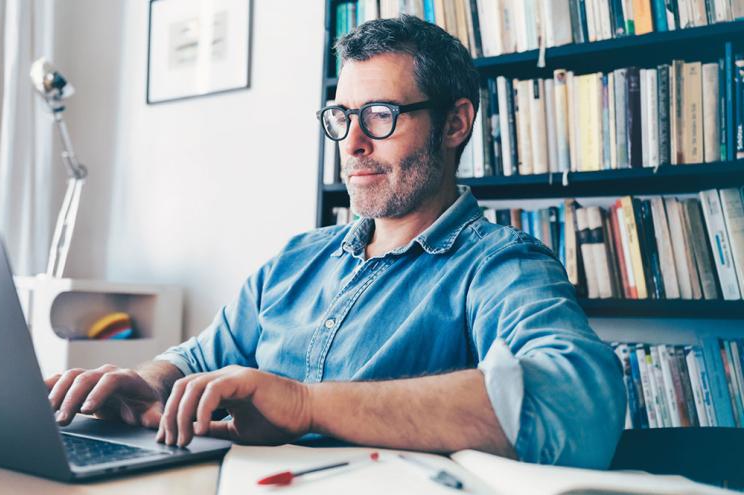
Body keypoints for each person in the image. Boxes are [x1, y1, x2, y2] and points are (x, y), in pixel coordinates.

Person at [46, 15, 625, 468]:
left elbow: (575, 409)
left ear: (455, 124)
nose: (352, 143)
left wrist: (303, 405)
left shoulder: (501, 265)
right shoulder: (298, 258)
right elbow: (198, 358)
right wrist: (143, 382)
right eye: (341, 116)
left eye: (379, 115)